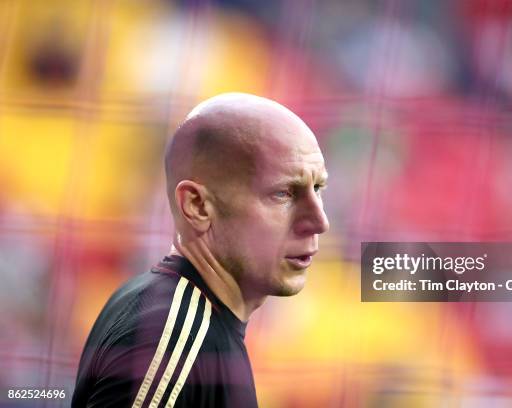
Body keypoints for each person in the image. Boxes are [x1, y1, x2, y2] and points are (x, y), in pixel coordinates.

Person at [72, 93, 330, 407]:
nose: (319, 221)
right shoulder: (173, 337)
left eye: (317, 188)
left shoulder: (184, 318)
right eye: (283, 193)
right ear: (196, 206)